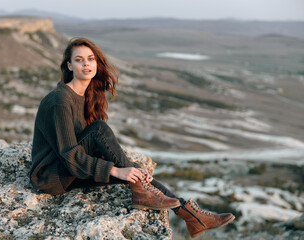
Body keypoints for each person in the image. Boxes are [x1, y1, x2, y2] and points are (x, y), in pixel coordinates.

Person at [29, 37, 235, 238]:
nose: (86, 64)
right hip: (51, 176)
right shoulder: (60, 100)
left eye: (90, 59)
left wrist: (128, 168)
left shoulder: (86, 96)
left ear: (96, 63)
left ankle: (190, 215)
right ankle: (179, 210)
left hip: (69, 170)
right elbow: (70, 155)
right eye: (79, 59)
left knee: (134, 171)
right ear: (69, 66)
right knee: (102, 133)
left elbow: (89, 148)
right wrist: (117, 169)